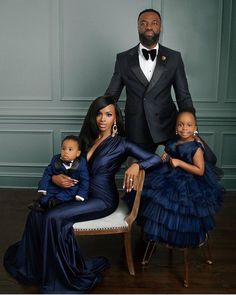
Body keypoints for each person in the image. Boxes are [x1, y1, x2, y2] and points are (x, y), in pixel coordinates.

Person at [4, 95, 162, 293]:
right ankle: (39, 268)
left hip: (102, 200)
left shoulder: (122, 143)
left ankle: (59, 276)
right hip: (79, 194)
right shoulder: (87, 139)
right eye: (99, 114)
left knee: (53, 217)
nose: (102, 119)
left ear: (115, 119)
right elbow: (66, 166)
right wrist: (55, 179)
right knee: (37, 212)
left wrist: (137, 165)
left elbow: (156, 160)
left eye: (108, 114)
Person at [105, 8, 195, 153]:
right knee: (136, 172)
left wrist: (192, 129)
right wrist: (100, 121)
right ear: (138, 26)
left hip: (167, 127)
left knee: (168, 173)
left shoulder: (174, 58)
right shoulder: (123, 59)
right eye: (144, 23)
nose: (149, 27)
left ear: (160, 27)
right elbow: (111, 95)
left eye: (154, 23)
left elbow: (183, 96)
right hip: (135, 130)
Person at [138, 109, 224, 249]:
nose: (184, 128)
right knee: (158, 201)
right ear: (176, 127)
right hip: (168, 175)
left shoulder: (196, 148)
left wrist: (180, 163)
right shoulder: (174, 140)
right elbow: (169, 151)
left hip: (188, 182)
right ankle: (161, 235)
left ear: (195, 128)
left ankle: (178, 237)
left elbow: (200, 170)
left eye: (189, 125)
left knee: (180, 210)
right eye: (181, 124)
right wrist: (165, 156)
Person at [28, 135, 89, 211]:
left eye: (70, 149)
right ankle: (41, 203)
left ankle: (54, 202)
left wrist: (81, 195)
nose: (66, 152)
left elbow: (85, 181)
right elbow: (47, 173)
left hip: (71, 188)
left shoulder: (81, 164)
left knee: (68, 193)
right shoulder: (55, 160)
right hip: (56, 186)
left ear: (78, 153)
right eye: (63, 149)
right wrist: (43, 187)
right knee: (47, 193)